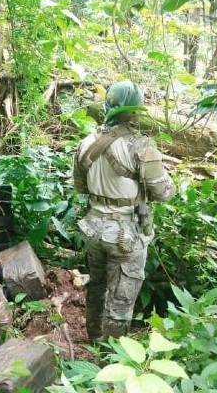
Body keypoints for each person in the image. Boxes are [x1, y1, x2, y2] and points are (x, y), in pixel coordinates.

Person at [72, 80, 175, 341]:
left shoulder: (87, 142)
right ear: (133, 111)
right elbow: (163, 192)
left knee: (97, 285)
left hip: (93, 226)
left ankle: (94, 337)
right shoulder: (140, 145)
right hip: (124, 233)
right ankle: (111, 358)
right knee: (122, 299)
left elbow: (80, 186)